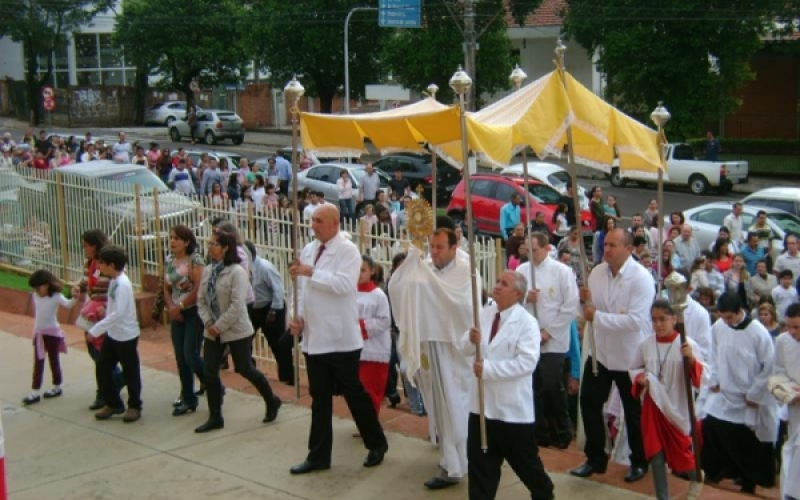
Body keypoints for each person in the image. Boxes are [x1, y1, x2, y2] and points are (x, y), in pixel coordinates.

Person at [288, 204, 388, 473]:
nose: (314, 225)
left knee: (353, 394)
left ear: (334, 223)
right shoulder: (309, 250)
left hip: (340, 337)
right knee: (319, 397)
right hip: (314, 337)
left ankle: (376, 442)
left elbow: (345, 285)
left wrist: (311, 272)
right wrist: (296, 316)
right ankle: (318, 455)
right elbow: (299, 288)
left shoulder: (347, 250)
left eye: (319, 220)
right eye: (312, 221)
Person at [389, 227, 477, 489]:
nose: (434, 252)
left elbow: (465, 306)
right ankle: (450, 455)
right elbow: (397, 287)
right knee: (438, 405)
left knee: (454, 405)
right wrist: (413, 260)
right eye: (431, 246)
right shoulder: (425, 265)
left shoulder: (466, 270)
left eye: (439, 247)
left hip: (455, 348)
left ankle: (454, 466)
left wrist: (432, 284)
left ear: (454, 246)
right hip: (430, 342)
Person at [463, 270, 555, 500]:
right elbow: (464, 347)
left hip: (510, 411)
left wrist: (489, 370)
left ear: (517, 294)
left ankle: (544, 493)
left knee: (526, 465)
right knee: (480, 466)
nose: (497, 286)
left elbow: (527, 363)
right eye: (497, 282)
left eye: (503, 284)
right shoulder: (485, 313)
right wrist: (469, 340)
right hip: (482, 407)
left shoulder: (527, 323)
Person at [571, 229, 653, 483]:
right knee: (589, 402)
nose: (606, 249)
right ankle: (595, 458)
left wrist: (597, 316)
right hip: (601, 354)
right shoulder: (596, 273)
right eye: (605, 244)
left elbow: (636, 321)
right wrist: (582, 301)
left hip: (630, 357)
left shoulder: (641, 279)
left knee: (633, 412)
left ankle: (639, 462)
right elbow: (585, 311)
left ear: (628, 249)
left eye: (613, 245)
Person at [195, 231, 281, 433]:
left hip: (235, 329)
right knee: (209, 372)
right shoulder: (208, 271)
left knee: (244, 368)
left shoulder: (237, 272)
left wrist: (219, 326)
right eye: (209, 243)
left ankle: (271, 399)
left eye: (214, 244)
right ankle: (215, 416)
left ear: (226, 247)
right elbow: (201, 300)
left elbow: (237, 305)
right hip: (212, 330)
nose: (210, 247)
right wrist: (209, 323)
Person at [701, 291, 778, 494]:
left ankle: (748, 480)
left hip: (748, 397)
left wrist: (754, 394)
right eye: (722, 317)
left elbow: (768, 367)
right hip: (725, 391)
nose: (726, 322)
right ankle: (715, 471)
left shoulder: (758, 333)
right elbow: (713, 354)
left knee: (746, 439)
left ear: (739, 311)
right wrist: (715, 379)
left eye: (729, 317)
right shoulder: (719, 327)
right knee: (710, 423)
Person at [630, 299, 705, 500]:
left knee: (681, 454)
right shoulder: (645, 344)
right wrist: (641, 379)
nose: (658, 325)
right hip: (653, 406)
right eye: (654, 320)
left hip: (677, 406)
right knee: (656, 454)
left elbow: (700, 377)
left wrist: (690, 359)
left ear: (674, 319)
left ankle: (696, 475)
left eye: (662, 319)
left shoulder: (687, 344)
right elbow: (634, 368)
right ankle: (662, 497)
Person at [517, 232, 578, 449]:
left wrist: (548, 332)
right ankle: (539, 432)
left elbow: (571, 305)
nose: (531, 254)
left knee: (551, 385)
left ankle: (562, 430)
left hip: (554, 339)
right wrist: (526, 298)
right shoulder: (522, 271)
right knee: (532, 386)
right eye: (528, 250)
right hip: (529, 337)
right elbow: (514, 302)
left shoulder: (562, 271)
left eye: (535, 249)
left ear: (546, 248)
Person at [88, 245, 143, 423]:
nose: (99, 266)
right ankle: (113, 403)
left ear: (112, 265)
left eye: (102, 263)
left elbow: (118, 313)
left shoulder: (122, 284)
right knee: (103, 366)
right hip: (113, 333)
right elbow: (114, 307)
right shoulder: (114, 280)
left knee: (130, 371)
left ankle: (134, 405)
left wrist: (96, 329)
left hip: (126, 334)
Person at [72, 229, 123, 411]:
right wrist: (78, 287)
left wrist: (106, 308)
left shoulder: (106, 264)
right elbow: (86, 281)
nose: (84, 249)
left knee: (102, 354)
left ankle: (107, 389)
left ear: (94, 246)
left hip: (102, 312)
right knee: (94, 351)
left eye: (86, 245)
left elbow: (112, 285)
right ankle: (110, 384)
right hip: (91, 311)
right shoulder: (91, 264)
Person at [163, 225, 206, 416]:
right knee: (181, 357)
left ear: (187, 242)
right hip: (176, 313)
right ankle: (188, 397)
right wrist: (171, 307)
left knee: (191, 354)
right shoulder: (169, 259)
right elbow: (166, 286)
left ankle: (212, 383)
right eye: (171, 238)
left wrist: (180, 307)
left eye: (177, 238)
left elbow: (198, 288)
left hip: (192, 312)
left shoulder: (195, 260)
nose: (172, 241)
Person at [22, 270, 76, 406]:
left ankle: (57, 387)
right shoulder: (35, 296)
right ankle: (35, 391)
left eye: (39, 287)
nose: (37, 290)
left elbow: (69, 305)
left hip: (52, 333)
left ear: (47, 284)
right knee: (38, 362)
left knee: (54, 360)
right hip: (39, 333)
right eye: (35, 288)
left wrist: (75, 297)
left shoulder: (56, 296)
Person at [243, 241, 293, 385]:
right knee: (245, 339)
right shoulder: (243, 267)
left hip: (271, 307)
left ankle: (287, 378)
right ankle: (251, 372)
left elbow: (278, 290)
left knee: (278, 344)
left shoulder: (265, 267)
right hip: (254, 307)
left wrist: (273, 312)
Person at [356, 254, 392, 415]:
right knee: (357, 389)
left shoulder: (378, 295)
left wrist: (361, 326)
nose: (359, 273)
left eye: (363, 270)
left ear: (371, 271)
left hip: (374, 350)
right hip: (354, 348)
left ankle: (371, 423)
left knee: (370, 389)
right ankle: (363, 423)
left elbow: (385, 321)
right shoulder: (349, 292)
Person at [771, 303, 800, 500]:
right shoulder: (782, 341)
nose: (792, 331)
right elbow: (778, 372)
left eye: (797, 327)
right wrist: (787, 391)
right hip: (795, 406)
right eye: (789, 326)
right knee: (792, 451)